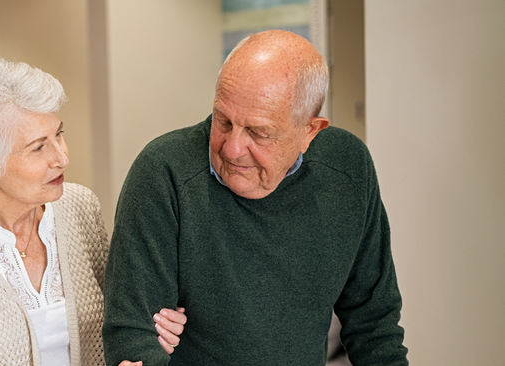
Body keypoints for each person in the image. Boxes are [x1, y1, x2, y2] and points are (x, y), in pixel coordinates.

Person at [101, 30, 408, 365]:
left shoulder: (347, 168)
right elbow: (133, 335)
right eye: (223, 121)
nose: (232, 148)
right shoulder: (164, 172)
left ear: (310, 131)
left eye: (258, 133)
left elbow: (374, 323)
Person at [0, 59, 186, 366]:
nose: (62, 157)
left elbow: (120, 314)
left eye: (59, 134)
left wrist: (151, 328)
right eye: (39, 147)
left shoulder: (79, 207)